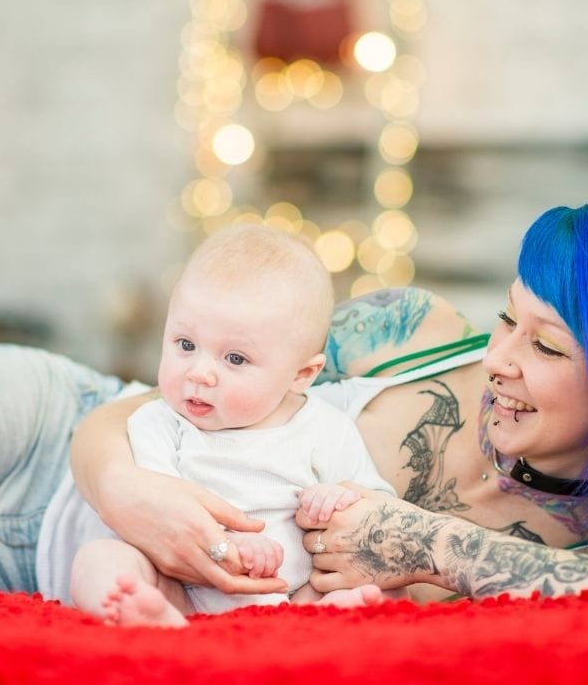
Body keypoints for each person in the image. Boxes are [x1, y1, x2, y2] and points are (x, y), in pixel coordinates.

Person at [0, 196, 588, 603]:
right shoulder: (414, 332)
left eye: (544, 345)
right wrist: (127, 491)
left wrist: (421, 542)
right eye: (509, 316)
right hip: (44, 435)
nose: (498, 357)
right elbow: (144, 407)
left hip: (65, 580)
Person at [57, 225, 395, 625]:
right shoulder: (159, 422)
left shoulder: (325, 428)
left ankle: (325, 616)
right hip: (184, 589)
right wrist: (230, 542)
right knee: (100, 558)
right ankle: (144, 613)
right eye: (185, 345)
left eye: (234, 359)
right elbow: (161, 510)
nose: (199, 373)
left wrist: (337, 499)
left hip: (290, 594)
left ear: (301, 375)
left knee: (380, 580)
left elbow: (377, 507)